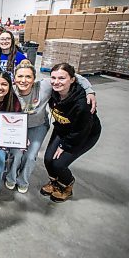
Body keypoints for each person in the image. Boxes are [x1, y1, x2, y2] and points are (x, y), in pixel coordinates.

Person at [6, 60, 96, 194]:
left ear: (34, 78)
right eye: (20, 76)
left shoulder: (46, 86)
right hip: (17, 127)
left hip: (38, 126)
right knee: (17, 153)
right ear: (14, 78)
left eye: (28, 77)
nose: (23, 80)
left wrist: (89, 91)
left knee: (30, 156)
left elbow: (75, 76)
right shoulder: (10, 91)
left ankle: (23, 180)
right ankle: (11, 178)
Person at [41, 63, 101, 202]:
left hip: (84, 134)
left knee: (59, 164)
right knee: (48, 159)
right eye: (53, 78)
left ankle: (66, 186)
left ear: (73, 79)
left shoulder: (83, 103)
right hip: (62, 127)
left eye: (62, 78)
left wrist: (64, 146)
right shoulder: (53, 91)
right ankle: (54, 183)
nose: (56, 82)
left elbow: (81, 130)